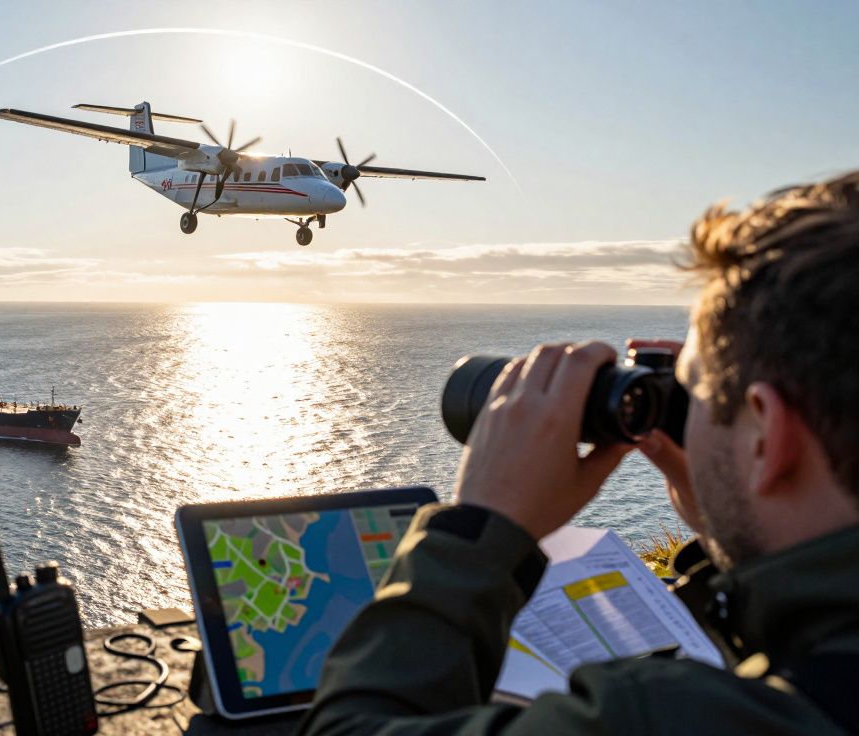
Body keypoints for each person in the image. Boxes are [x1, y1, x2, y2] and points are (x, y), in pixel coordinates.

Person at [300, 171, 859, 735]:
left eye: (699, 391)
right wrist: (728, 519)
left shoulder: (659, 719)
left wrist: (480, 527)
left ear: (766, 437)